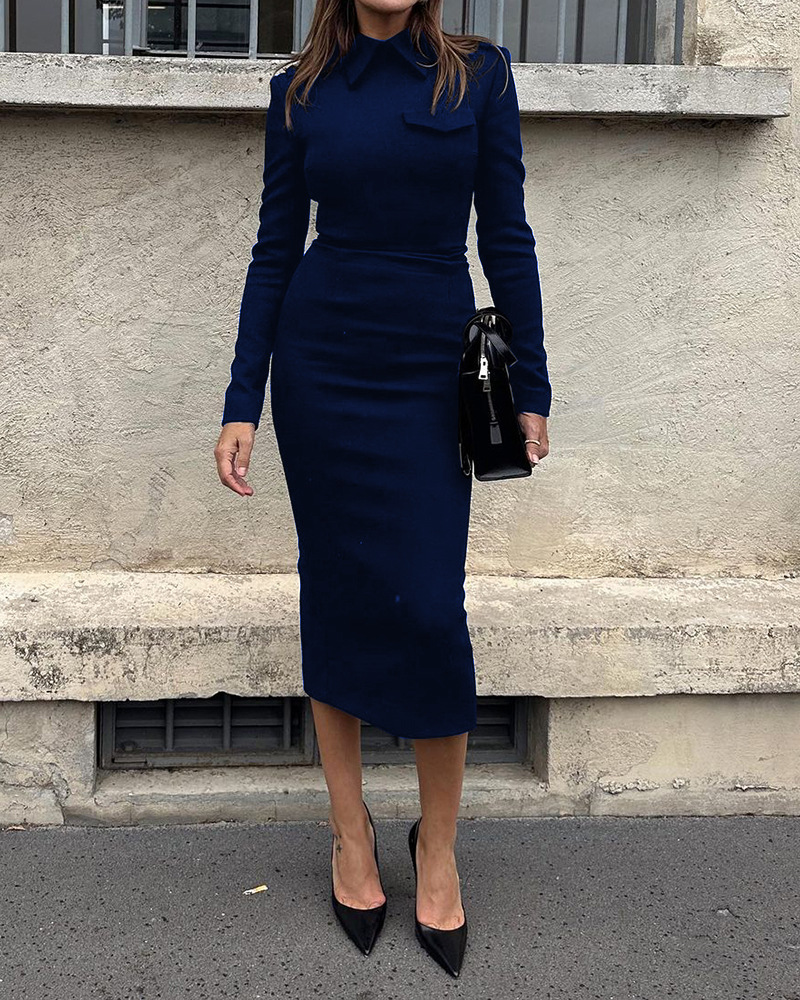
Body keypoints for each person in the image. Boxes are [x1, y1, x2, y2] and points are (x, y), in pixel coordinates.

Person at [214, 0, 551, 979]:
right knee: (339, 594)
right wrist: (241, 399)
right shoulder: (299, 91)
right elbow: (275, 249)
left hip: (429, 371)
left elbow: (508, 234)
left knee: (431, 609)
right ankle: (350, 831)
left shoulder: (477, 76)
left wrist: (531, 384)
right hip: (321, 367)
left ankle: (435, 844)